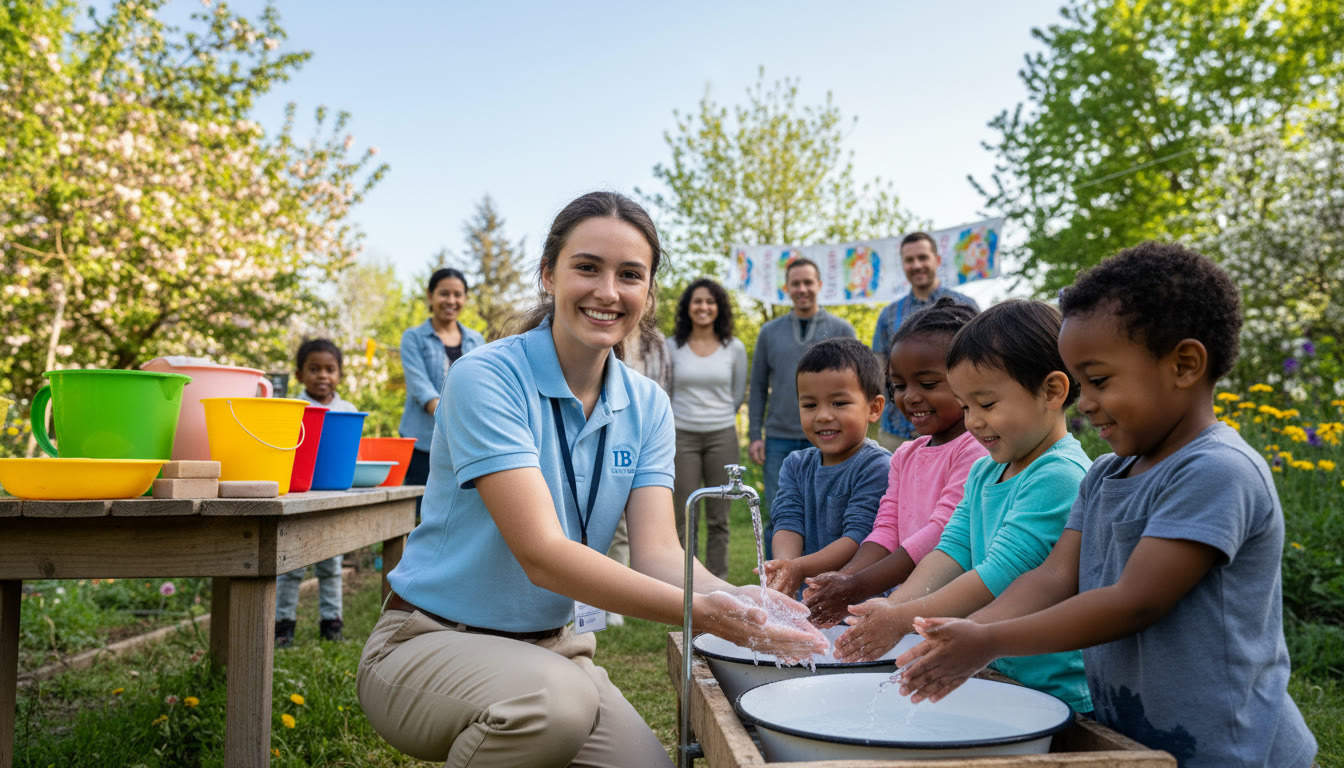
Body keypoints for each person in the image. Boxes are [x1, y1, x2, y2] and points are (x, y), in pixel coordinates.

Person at [357, 191, 826, 768]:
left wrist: (736, 598)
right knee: (552, 708)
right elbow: (543, 556)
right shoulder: (486, 376)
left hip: (556, 654)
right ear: (549, 274)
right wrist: (704, 615)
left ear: (649, 294)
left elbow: (657, 552)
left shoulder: (649, 404)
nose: (608, 292)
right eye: (587, 267)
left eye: (630, 274)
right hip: (428, 642)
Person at [895, 244, 1317, 767]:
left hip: (1231, 745)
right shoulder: (1104, 475)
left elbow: (1136, 600)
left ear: (1184, 364)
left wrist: (990, 640)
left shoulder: (1216, 471)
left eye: (1099, 380)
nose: (1085, 400)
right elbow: (1052, 578)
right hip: (1134, 730)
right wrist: (973, 634)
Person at [834, 300, 1094, 715]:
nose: (972, 422)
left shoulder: (1059, 475)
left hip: (1055, 690)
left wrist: (902, 619)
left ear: (1052, 390)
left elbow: (1001, 572)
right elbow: (952, 550)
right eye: (966, 405)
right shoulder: (985, 472)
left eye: (986, 404)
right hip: (994, 671)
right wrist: (894, 604)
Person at [803, 298, 986, 627]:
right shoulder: (906, 455)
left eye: (928, 384)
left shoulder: (975, 449)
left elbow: (940, 534)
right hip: (906, 610)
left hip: (958, 614)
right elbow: (886, 531)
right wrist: (842, 580)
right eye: (899, 385)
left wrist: (858, 585)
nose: (910, 396)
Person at [760, 337, 891, 599]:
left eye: (839, 403)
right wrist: (785, 566)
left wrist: (798, 568)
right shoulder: (796, 465)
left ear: (873, 409)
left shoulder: (878, 466)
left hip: (861, 604)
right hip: (809, 600)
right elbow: (787, 522)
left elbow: (858, 537)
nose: (823, 415)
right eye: (810, 405)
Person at [748, 258, 856, 557]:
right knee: (780, 512)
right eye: (796, 283)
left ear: (819, 285)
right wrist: (755, 433)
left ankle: (824, 580)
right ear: (787, 288)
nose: (802, 289)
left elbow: (857, 386)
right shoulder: (769, 333)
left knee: (833, 513)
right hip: (780, 437)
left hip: (832, 434)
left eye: (808, 282)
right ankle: (776, 584)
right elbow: (757, 386)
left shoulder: (841, 328)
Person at [275, 338, 358, 646]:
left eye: (330, 369)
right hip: (298, 498)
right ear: (299, 375)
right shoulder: (293, 409)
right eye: (314, 369)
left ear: (340, 374)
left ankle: (331, 623)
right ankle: (283, 625)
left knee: (331, 564)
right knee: (290, 566)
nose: (322, 375)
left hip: (333, 499)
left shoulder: (347, 411)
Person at [665, 278, 748, 579]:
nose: (703, 307)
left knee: (719, 518)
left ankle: (716, 584)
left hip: (721, 436)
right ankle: (687, 582)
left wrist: (718, 416)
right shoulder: (671, 346)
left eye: (710, 302)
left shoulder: (734, 347)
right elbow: (666, 389)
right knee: (685, 516)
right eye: (697, 301)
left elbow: (738, 394)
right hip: (681, 436)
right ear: (687, 307)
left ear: (719, 308)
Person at [872, 233, 979, 451]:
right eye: (909, 260)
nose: (917, 265)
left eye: (923, 257)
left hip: (958, 431)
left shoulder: (965, 306)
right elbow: (878, 366)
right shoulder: (889, 314)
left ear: (937, 260)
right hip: (897, 432)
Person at [398, 267, 487, 499]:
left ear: (465, 299)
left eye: (457, 294)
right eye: (443, 293)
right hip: (422, 441)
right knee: (418, 509)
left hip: (466, 441)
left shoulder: (476, 340)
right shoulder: (414, 338)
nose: (451, 300)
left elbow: (481, 386)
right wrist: (453, 418)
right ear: (430, 296)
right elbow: (420, 388)